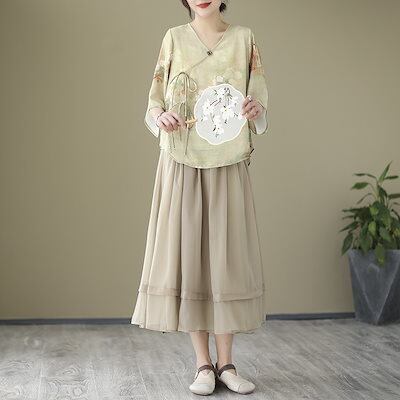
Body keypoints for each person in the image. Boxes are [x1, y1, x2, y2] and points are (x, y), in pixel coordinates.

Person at [131, 0, 269, 395]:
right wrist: (161, 117)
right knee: (190, 258)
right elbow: (155, 100)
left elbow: (258, 102)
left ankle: (227, 364)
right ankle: (203, 365)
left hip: (227, 160)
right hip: (182, 160)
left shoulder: (244, 39)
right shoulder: (173, 39)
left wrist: (255, 108)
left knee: (226, 261)